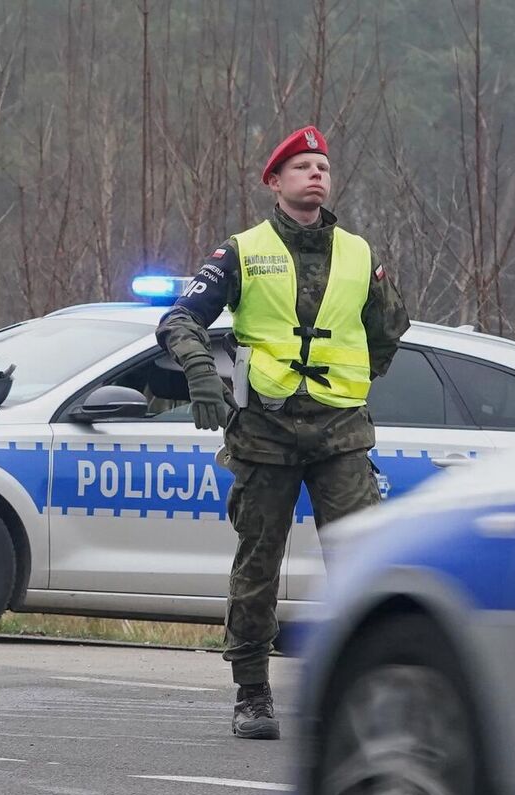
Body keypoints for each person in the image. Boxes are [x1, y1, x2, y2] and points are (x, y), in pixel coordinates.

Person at [156, 125, 410, 740]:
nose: (315, 174)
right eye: (301, 167)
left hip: (341, 432)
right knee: (258, 564)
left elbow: (389, 327)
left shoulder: (358, 252)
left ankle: (359, 690)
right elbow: (180, 319)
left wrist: (356, 372)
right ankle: (252, 694)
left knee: (358, 563)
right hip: (265, 430)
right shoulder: (240, 252)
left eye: (322, 165)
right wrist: (201, 374)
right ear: (275, 182)